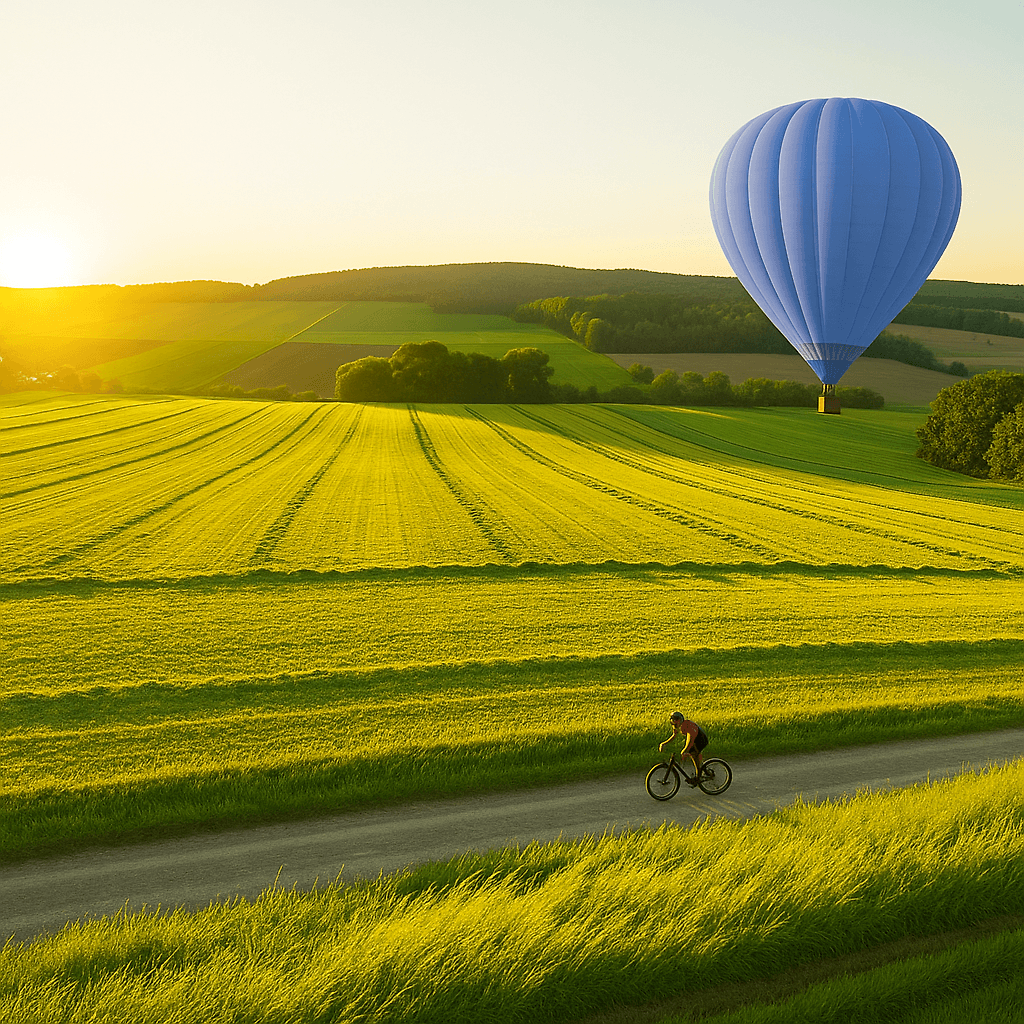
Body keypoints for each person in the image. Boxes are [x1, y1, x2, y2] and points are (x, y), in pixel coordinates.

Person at [659, 712, 709, 785]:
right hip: (693, 738)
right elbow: (674, 735)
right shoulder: (675, 725)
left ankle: (699, 776)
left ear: (680, 720)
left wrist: (685, 750)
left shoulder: (689, 726)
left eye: (675, 720)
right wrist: (663, 743)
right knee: (689, 752)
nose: (674, 723)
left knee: (693, 754)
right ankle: (701, 767)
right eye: (673, 721)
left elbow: (690, 741)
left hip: (700, 739)